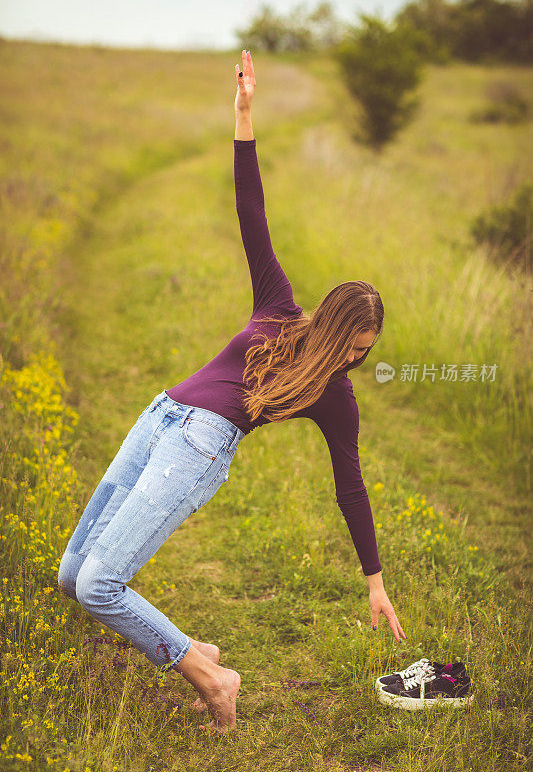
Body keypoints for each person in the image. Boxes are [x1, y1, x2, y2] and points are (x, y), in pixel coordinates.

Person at [58, 49, 406, 735]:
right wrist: (244, 115)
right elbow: (252, 207)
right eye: (350, 347)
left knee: (102, 585)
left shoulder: (335, 396)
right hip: (157, 417)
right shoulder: (278, 309)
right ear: (329, 324)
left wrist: (374, 581)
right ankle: (202, 655)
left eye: (364, 355)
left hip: (198, 447)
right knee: (74, 575)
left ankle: (212, 676)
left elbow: (350, 485)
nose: (354, 362)